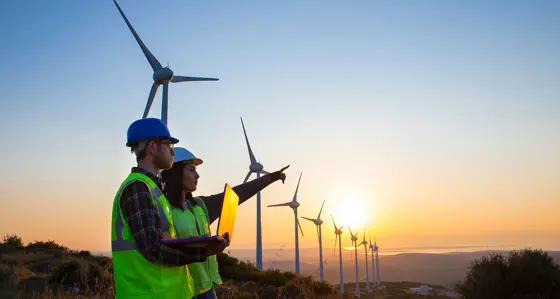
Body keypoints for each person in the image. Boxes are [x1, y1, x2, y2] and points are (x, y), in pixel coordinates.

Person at [110, 118, 230, 299]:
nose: (173, 153)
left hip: (166, 292)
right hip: (149, 294)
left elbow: (163, 240)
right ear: (152, 147)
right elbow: (152, 248)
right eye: (169, 146)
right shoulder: (138, 188)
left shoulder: (152, 188)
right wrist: (202, 252)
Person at [160, 146, 289, 299]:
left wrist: (270, 177)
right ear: (176, 173)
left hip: (207, 288)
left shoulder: (201, 205)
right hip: (182, 292)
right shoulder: (163, 210)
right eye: (191, 170)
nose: (198, 175)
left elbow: (237, 195)